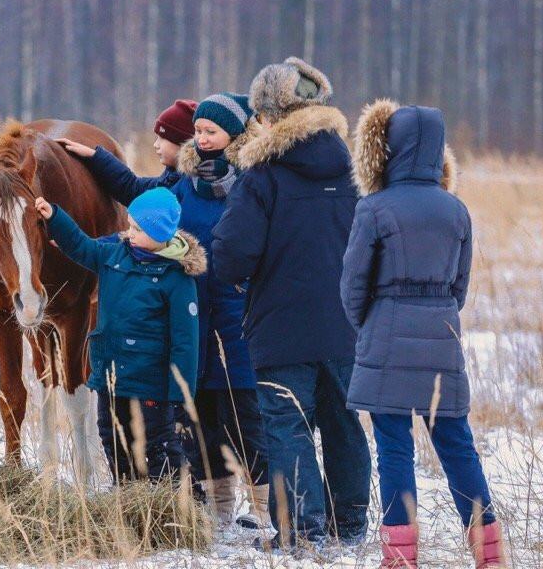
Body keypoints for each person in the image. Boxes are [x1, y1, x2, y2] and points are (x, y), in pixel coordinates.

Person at [58, 93, 270, 529]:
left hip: (237, 324)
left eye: (210, 131)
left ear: (235, 135)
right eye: (198, 131)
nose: (202, 138)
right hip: (192, 320)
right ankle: (219, 512)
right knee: (201, 425)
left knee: (247, 423)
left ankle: (274, 514)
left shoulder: (255, 184)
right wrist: (97, 157)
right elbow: (139, 196)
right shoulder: (182, 183)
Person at [212, 58, 371, 552]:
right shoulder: (353, 167)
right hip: (346, 325)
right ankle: (349, 525)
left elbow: (232, 255)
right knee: (344, 424)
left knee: (287, 425)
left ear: (269, 113)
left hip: (280, 329)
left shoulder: (262, 176)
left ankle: (304, 531)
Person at [342, 99, 506, 569]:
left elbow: (352, 284)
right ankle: (489, 555)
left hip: (387, 333)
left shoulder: (373, 207)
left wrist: (370, 324)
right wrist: (438, 314)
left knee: (394, 448)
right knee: (457, 445)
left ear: (388, 149)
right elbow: (460, 285)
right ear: (438, 149)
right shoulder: (456, 210)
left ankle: (399, 558)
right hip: (441, 335)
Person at [34, 188, 205, 485]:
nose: (130, 233)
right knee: (111, 434)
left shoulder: (177, 279)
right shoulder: (114, 254)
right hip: (111, 372)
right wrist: (56, 218)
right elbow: (81, 246)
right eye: (130, 225)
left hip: (150, 382)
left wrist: (181, 395)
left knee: (157, 442)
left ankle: (175, 500)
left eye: (138, 229)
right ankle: (126, 493)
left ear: (161, 234)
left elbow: (186, 343)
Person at [57, 99, 197, 194]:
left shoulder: (188, 189)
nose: (155, 145)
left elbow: (133, 189)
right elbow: (132, 187)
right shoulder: (170, 179)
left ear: (183, 144)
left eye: (163, 138)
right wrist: (95, 156)